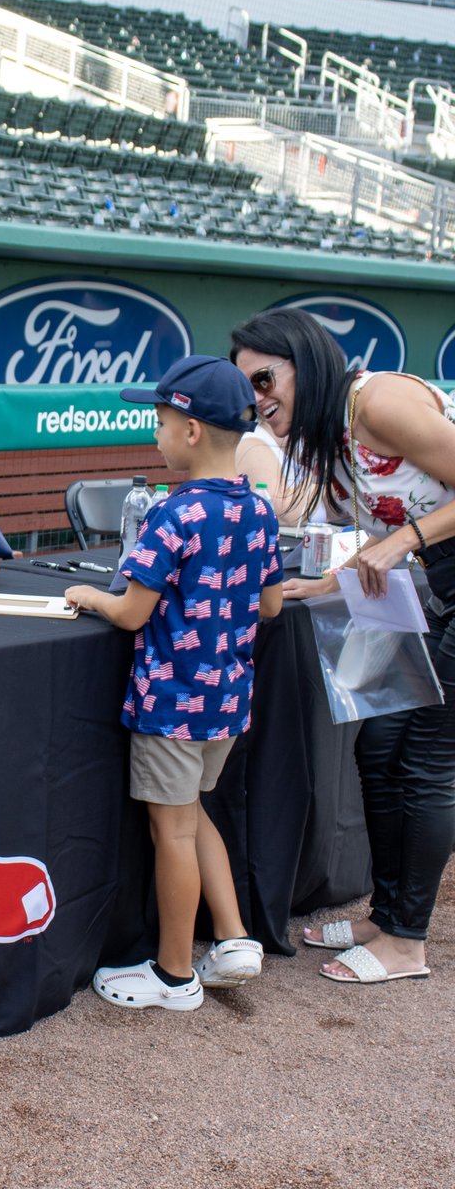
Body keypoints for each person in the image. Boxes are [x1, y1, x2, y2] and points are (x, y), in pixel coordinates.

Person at [230, 305, 455, 985]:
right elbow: (360, 533)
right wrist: (319, 584)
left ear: (307, 361)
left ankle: (408, 941)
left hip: (430, 568)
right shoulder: (318, 435)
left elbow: (399, 530)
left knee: (424, 758)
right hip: (423, 582)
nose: (259, 400)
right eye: (249, 391)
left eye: (266, 380)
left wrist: (404, 541)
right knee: (379, 745)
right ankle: (385, 916)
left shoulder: (377, 401)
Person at [65, 356, 284, 1012]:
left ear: (191, 431)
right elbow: (272, 606)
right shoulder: (258, 509)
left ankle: (172, 974)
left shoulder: (173, 513)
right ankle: (235, 938)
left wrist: (87, 596)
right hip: (227, 701)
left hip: (170, 704)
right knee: (194, 816)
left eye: (160, 422)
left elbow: (131, 610)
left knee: (175, 834)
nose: (155, 435)